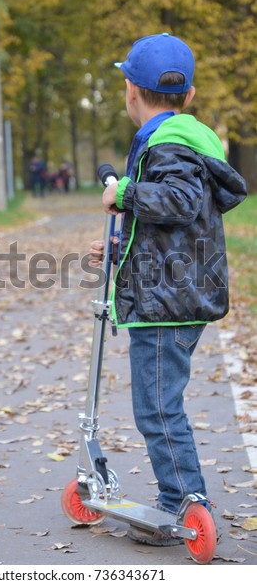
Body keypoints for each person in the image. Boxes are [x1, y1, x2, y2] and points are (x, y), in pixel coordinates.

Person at [89, 33, 247, 546]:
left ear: (130, 91)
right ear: (190, 94)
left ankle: (181, 504)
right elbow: (178, 231)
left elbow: (176, 202)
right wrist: (116, 252)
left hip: (165, 305)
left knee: (157, 408)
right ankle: (180, 498)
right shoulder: (186, 139)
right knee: (160, 405)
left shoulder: (167, 143)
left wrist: (125, 191)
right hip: (174, 294)